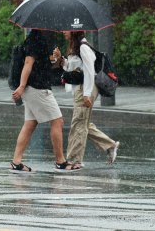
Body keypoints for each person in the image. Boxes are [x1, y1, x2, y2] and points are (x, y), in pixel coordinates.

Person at [9, 30, 80, 173]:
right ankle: (60, 161)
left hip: (36, 86)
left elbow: (44, 65)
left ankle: (16, 162)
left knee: (30, 123)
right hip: (37, 87)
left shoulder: (42, 37)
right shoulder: (35, 38)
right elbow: (28, 63)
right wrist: (21, 86)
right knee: (57, 121)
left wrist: (57, 60)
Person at [55, 31, 120, 168]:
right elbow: (72, 68)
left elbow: (90, 71)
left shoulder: (83, 47)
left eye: (66, 30)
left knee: (78, 123)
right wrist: (61, 60)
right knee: (83, 123)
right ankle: (110, 145)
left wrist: (87, 94)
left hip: (85, 88)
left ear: (73, 31)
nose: (63, 32)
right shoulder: (76, 47)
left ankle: (74, 160)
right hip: (81, 88)